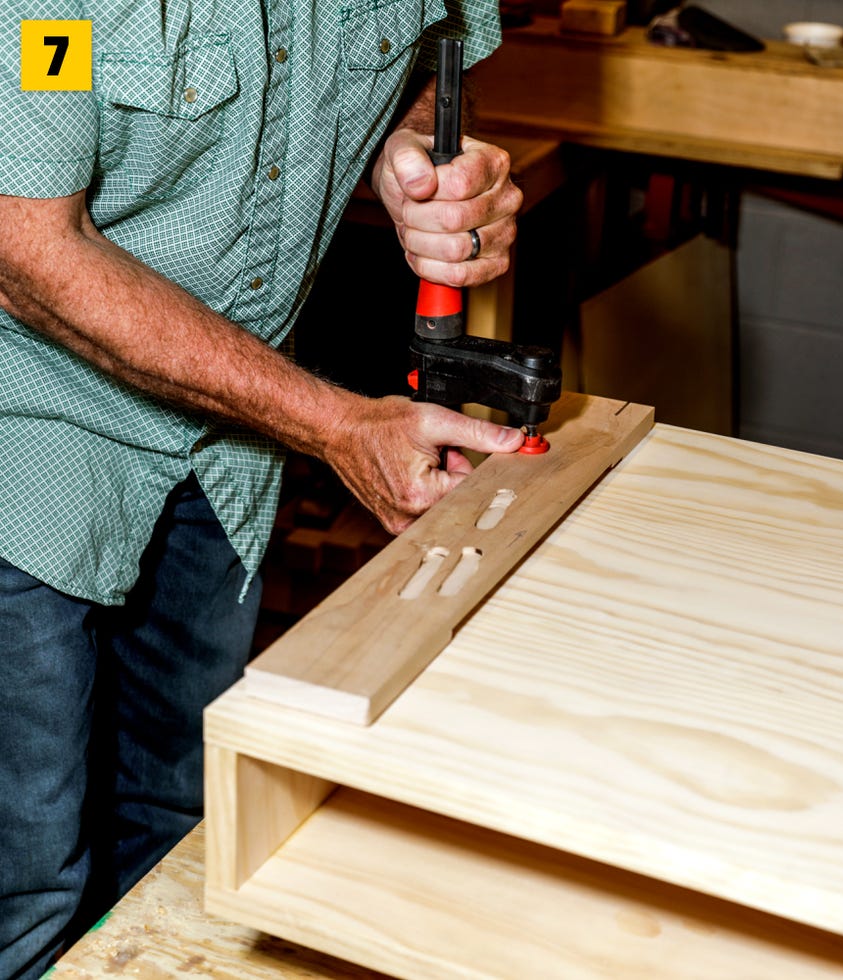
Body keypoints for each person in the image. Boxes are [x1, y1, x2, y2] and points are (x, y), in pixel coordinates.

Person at [0, 2, 525, 975]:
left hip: (229, 442)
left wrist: (412, 156)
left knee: (187, 847)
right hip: (26, 446)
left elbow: (427, 55)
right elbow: (25, 248)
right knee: (22, 889)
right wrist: (333, 424)